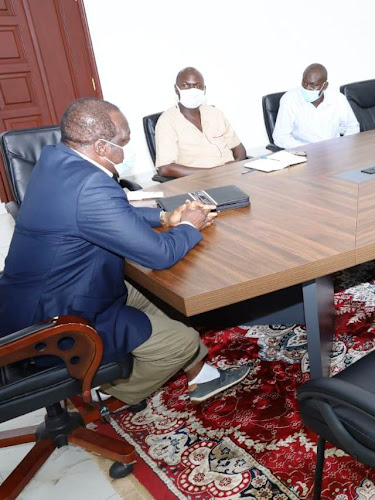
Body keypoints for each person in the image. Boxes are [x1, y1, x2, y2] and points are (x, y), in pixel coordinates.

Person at [0, 98, 249, 405]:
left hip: (35, 297)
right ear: (102, 147)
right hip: (58, 323)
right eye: (123, 142)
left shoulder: (54, 159)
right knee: (180, 341)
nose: (126, 150)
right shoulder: (90, 185)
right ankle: (111, 395)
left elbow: (105, 214)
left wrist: (163, 217)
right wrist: (188, 225)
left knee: (165, 297)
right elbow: (160, 254)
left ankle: (200, 375)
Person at [155, 67, 247, 178]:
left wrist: (236, 167)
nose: (192, 90)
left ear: (204, 90)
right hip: (198, 180)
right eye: (186, 85)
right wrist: (215, 172)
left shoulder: (215, 113)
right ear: (176, 89)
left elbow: (239, 149)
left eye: (198, 86)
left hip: (232, 175)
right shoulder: (167, 121)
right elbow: (165, 169)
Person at [273, 63, 360, 149]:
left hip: (334, 151)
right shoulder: (290, 99)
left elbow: (352, 127)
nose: (307, 88)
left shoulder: (337, 99)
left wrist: (342, 147)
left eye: (313, 85)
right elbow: (280, 136)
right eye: (304, 83)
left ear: (325, 86)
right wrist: (306, 149)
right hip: (303, 153)